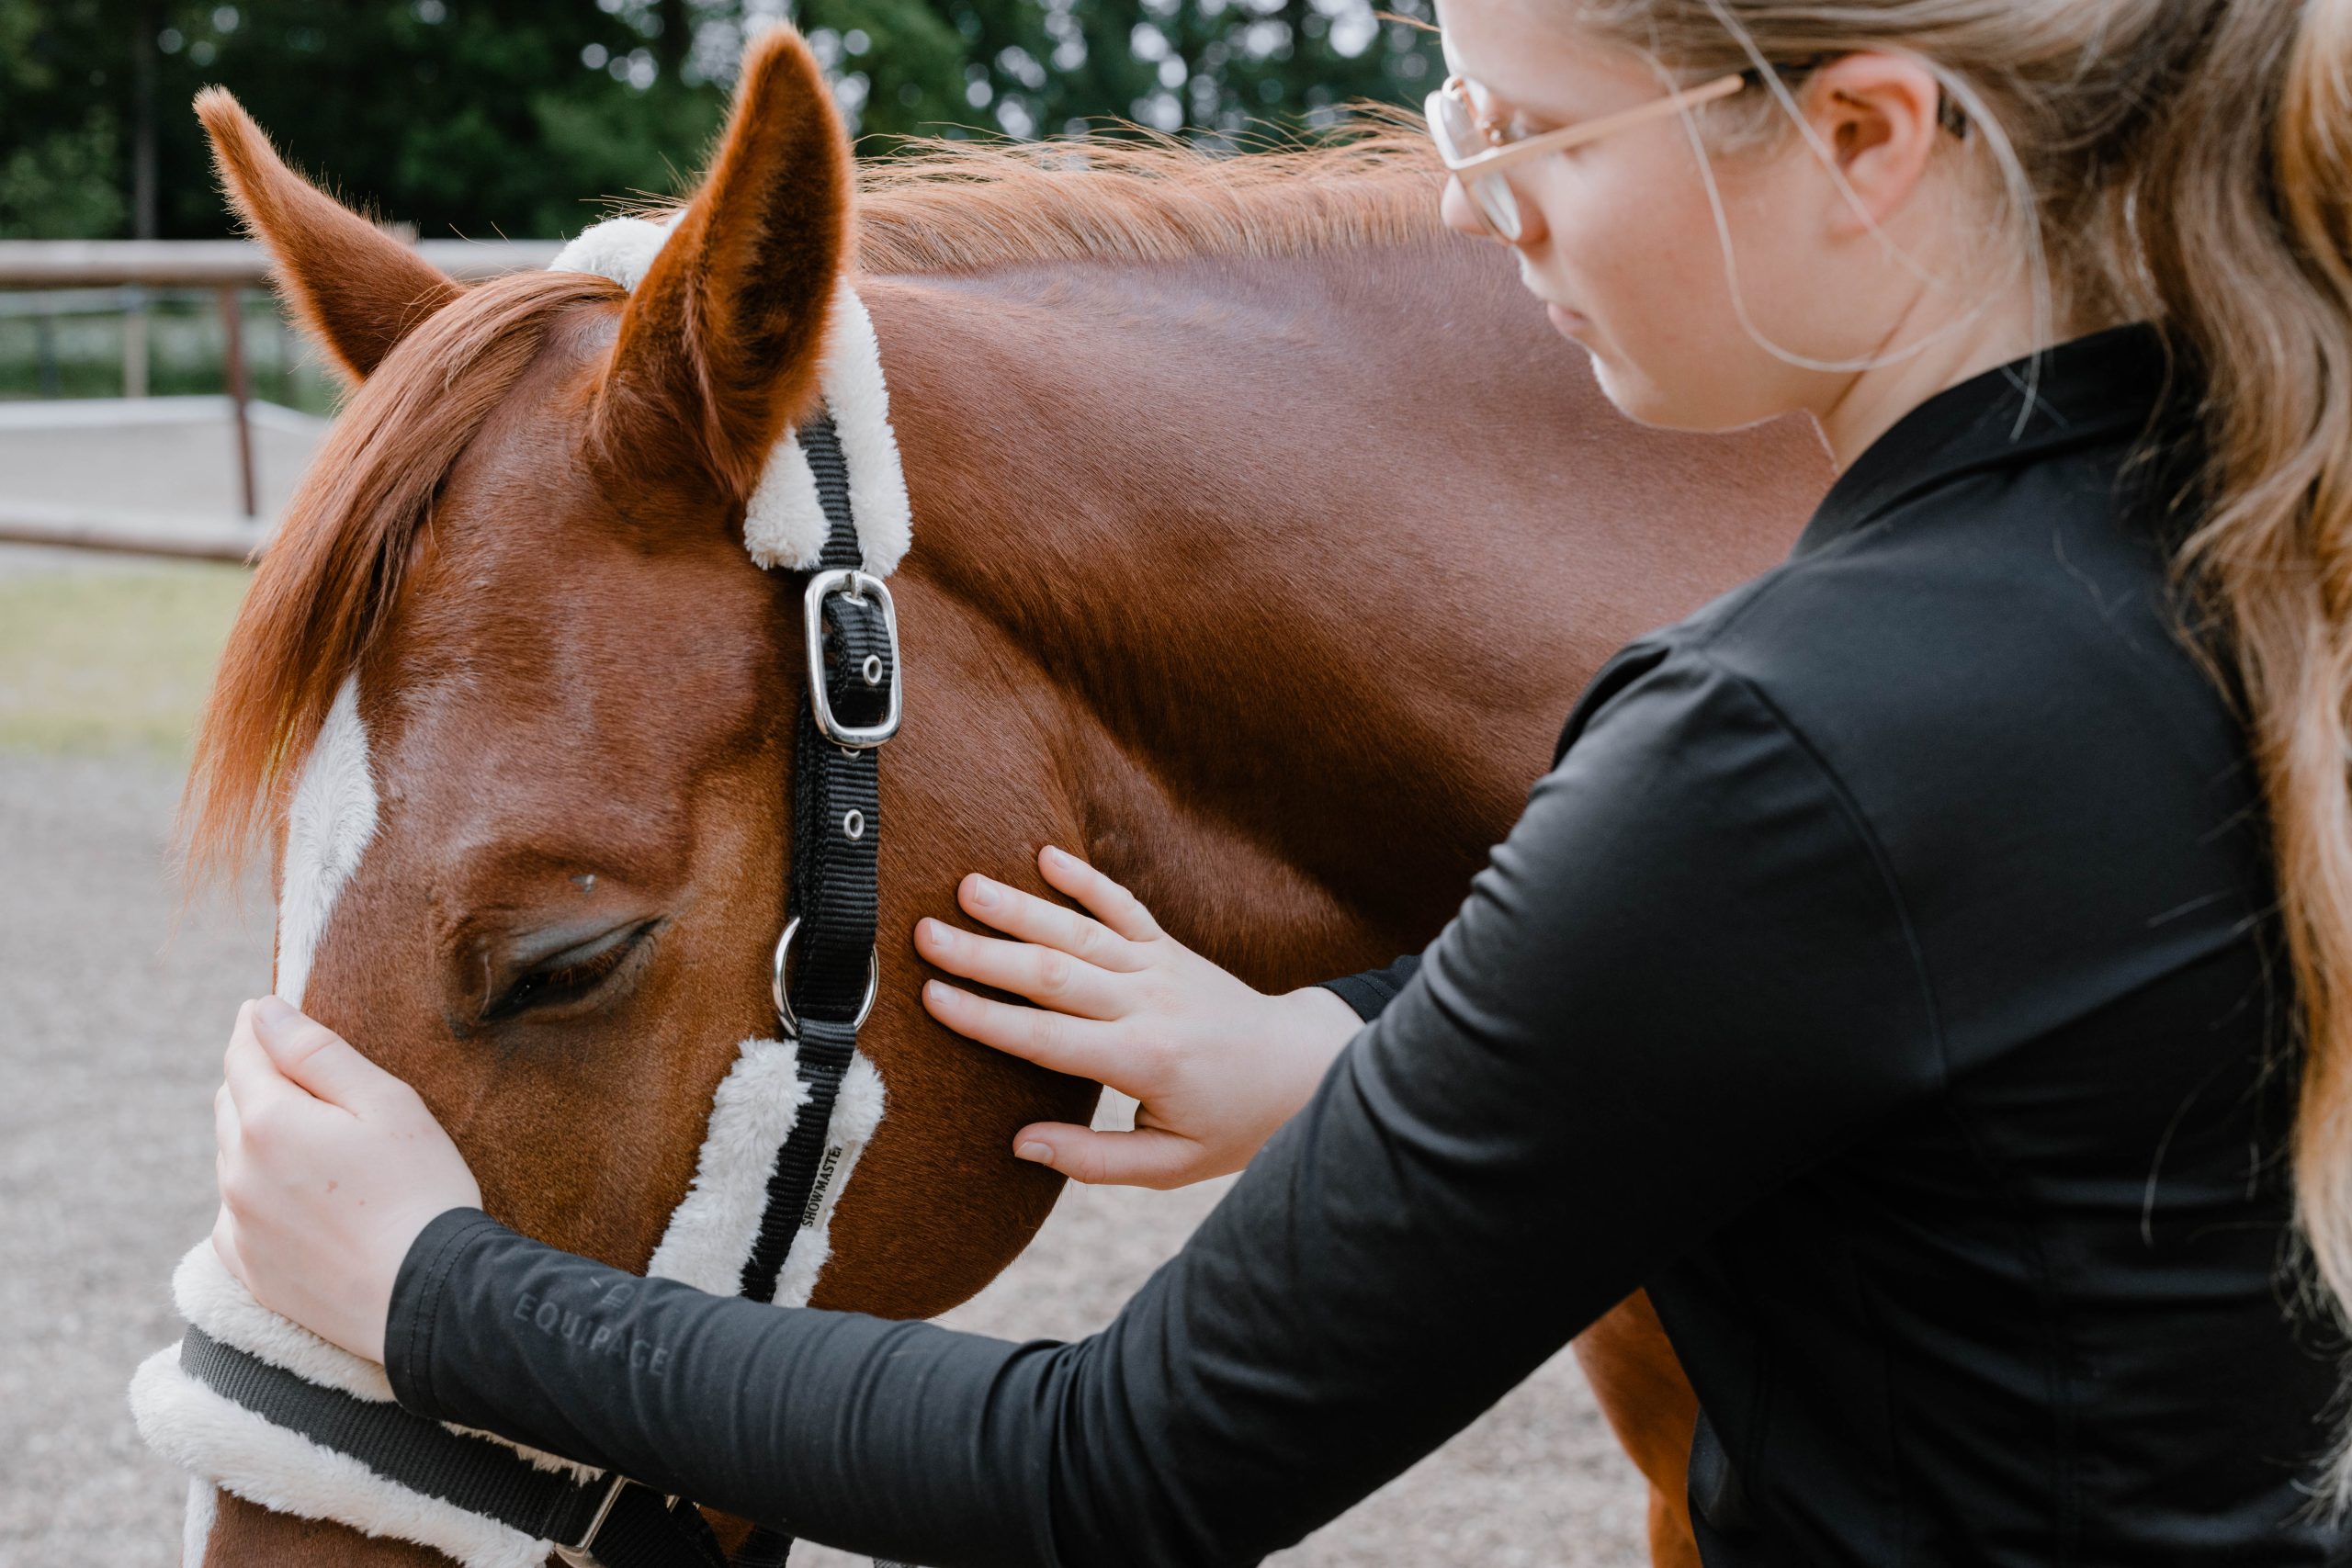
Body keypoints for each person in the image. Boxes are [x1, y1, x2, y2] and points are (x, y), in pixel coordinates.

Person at [207, 1, 2352, 1562]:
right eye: (1450, 118)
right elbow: (1963, 1093)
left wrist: (428, 1282)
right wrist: (1365, 1061)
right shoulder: (2191, 543)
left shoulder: (1786, 741)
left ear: (1866, 138)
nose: (1474, 206)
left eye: (1529, 131)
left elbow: (1111, 1471)